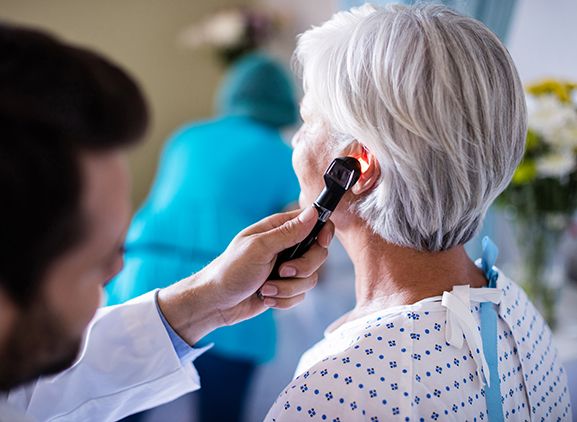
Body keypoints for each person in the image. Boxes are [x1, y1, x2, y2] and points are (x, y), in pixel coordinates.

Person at [0, 22, 334, 421]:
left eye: (117, 246)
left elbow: (52, 390)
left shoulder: (187, 137)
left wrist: (209, 299)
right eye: (91, 260)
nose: (115, 269)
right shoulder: (279, 153)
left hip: (166, 274)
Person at [266, 4, 572, 421]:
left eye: (306, 122)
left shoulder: (335, 388)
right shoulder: (517, 310)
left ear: (357, 168)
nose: (296, 142)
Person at [105, 53, 300, 422]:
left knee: (122, 406)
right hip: (225, 282)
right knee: (222, 411)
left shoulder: (186, 136)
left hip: (142, 274)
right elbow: (300, 221)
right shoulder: (282, 154)